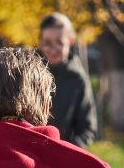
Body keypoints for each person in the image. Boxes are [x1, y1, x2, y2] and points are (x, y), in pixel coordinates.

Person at [37, 12, 98, 148]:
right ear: (40, 42)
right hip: (30, 154)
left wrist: (65, 151)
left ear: (70, 41)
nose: (53, 49)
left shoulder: (77, 78)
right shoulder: (29, 74)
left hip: (62, 157)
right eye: (47, 42)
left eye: (59, 42)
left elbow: (87, 128)